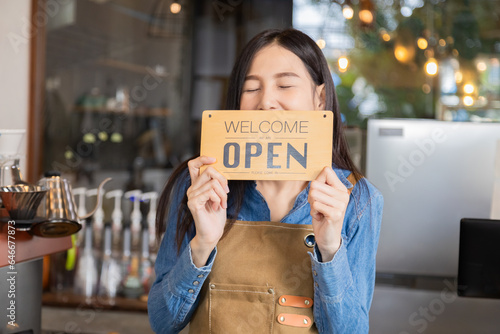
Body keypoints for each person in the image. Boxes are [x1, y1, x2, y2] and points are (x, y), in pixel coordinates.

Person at [148, 28, 383, 334]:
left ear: (320, 97)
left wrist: (329, 249)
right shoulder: (200, 185)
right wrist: (202, 242)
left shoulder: (358, 199)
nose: (266, 102)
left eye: (285, 85)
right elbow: (162, 323)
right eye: (250, 88)